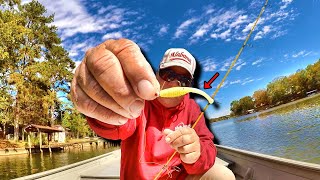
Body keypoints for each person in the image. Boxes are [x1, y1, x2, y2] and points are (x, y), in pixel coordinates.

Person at [71, 38, 235, 180]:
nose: (175, 83)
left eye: (184, 80)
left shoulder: (192, 108)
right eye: (169, 75)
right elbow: (116, 126)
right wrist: (107, 101)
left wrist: (197, 152)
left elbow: (208, 146)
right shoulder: (138, 99)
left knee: (223, 175)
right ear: (157, 75)